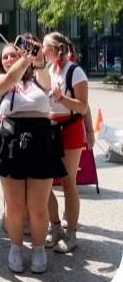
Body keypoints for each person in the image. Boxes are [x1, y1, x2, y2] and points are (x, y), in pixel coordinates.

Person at [0, 43, 67, 274]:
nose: (11, 58)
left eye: (15, 54)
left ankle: (39, 248)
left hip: (41, 140)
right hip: (11, 140)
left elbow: (45, 78)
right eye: (6, 56)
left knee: (38, 206)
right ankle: (15, 248)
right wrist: (23, 60)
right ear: (1, 62)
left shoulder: (39, 80)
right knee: (14, 204)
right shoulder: (0, 82)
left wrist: (37, 60)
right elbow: (11, 79)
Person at [42, 32, 89, 253]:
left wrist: (62, 98)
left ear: (55, 49)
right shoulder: (47, 71)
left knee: (69, 183)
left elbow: (82, 107)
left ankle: (72, 233)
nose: (41, 51)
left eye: (44, 47)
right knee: (45, 182)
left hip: (70, 128)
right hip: (49, 128)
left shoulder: (74, 71)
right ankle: (56, 226)